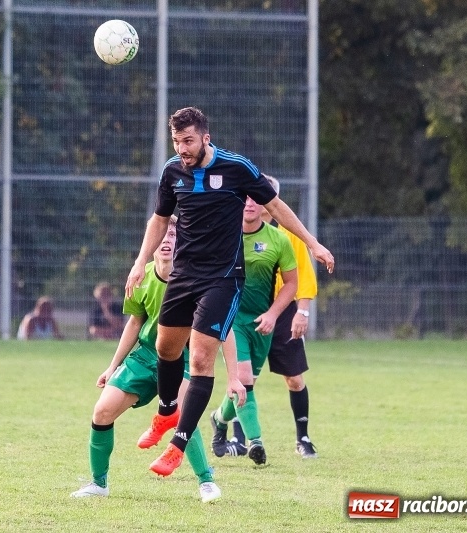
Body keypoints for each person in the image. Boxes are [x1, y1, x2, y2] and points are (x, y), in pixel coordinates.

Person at [125, 107, 334, 477]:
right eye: (177, 141)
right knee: (165, 349)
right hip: (184, 277)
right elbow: (159, 219)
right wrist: (140, 261)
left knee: (203, 360)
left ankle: (178, 444)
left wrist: (312, 243)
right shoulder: (173, 171)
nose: (182, 148)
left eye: (188, 140)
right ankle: (165, 412)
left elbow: (276, 206)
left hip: (222, 279)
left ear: (206, 137)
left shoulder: (237, 168)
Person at [71, 216, 239, 503]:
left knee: (185, 414)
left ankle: (206, 481)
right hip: (147, 355)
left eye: (175, 235)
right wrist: (112, 366)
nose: (167, 240)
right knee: (102, 412)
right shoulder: (141, 277)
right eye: (164, 234)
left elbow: (226, 329)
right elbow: (136, 323)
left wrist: (234, 377)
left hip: (182, 358)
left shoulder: (198, 280)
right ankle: (99, 484)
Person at [226, 175, 319, 459]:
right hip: (246, 314)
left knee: (293, 377)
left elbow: (301, 277)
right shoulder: (234, 228)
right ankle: (239, 438)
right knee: (243, 377)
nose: (257, 200)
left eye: (265, 195)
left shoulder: (288, 234)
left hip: (283, 313)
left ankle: (302, 438)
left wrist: (301, 312)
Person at [208, 194, 298, 466]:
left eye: (255, 199)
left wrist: (273, 314)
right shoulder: (224, 234)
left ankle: (219, 418)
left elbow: (292, 283)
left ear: (265, 206)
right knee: (244, 377)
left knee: (245, 387)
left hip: (261, 324)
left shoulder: (278, 240)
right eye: (244, 199)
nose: (249, 204)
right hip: (231, 317)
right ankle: (256, 442)